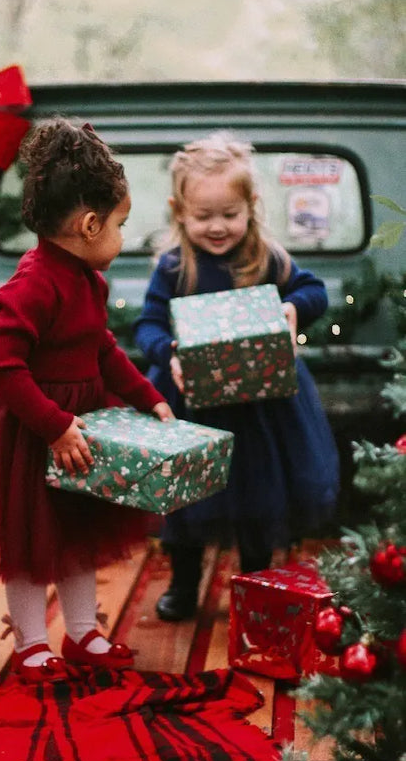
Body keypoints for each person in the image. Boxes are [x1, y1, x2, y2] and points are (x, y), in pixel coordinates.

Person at [0, 118, 173, 681]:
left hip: (77, 429)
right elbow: (0, 366)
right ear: (90, 224)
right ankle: (31, 642)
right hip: (31, 432)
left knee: (75, 534)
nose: (121, 235)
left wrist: (148, 397)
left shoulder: (88, 280)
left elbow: (102, 349)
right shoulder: (34, 283)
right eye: (120, 224)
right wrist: (54, 425)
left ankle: (83, 631)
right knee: (28, 541)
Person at [134, 132, 339, 621]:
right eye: (204, 216)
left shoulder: (265, 258)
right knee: (185, 501)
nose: (218, 226)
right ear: (179, 211)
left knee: (258, 501)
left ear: (252, 206)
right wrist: (170, 353)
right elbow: (147, 325)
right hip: (191, 408)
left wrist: (291, 307)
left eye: (230, 213)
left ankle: (254, 586)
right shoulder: (173, 267)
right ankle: (184, 586)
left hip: (260, 413)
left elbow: (316, 292)